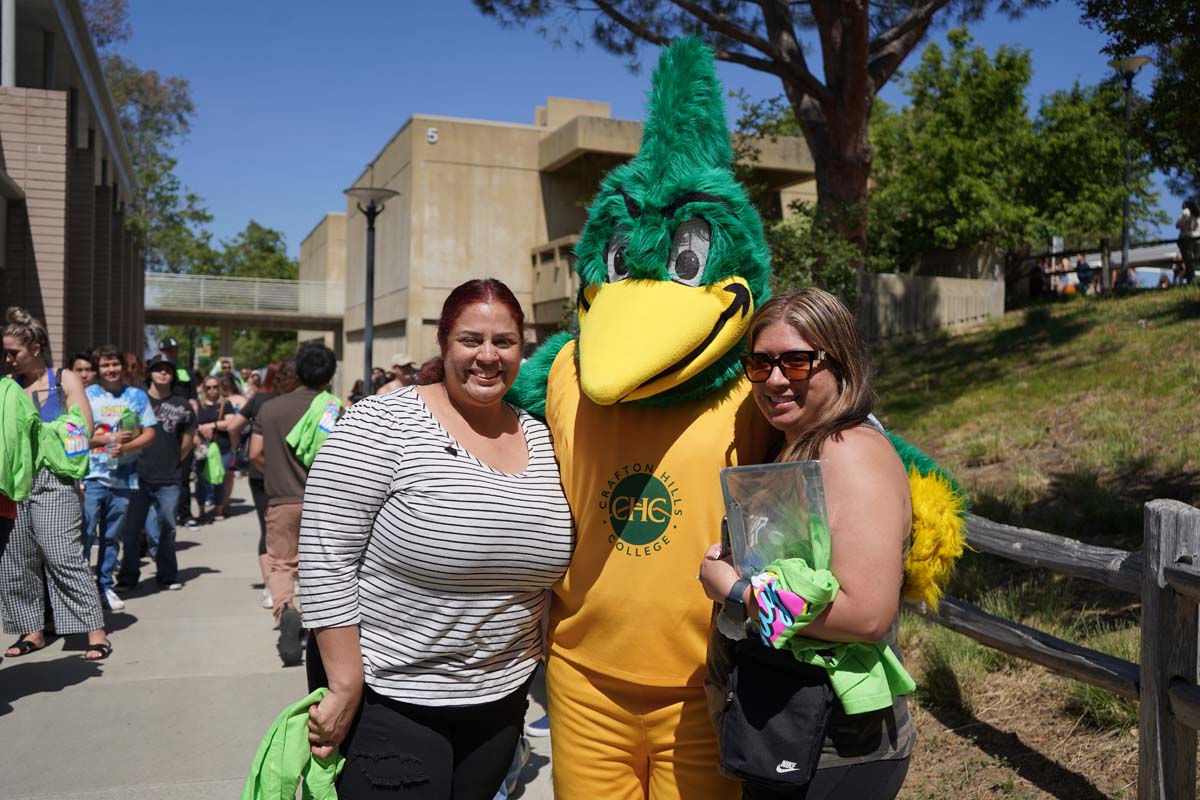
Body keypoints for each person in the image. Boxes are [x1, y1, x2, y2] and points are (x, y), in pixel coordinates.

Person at [299, 280, 573, 797]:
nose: (487, 356)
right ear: (445, 343)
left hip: (501, 700)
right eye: (471, 340)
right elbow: (323, 557)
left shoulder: (542, 435)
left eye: (505, 342)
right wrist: (343, 683)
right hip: (391, 695)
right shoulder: (380, 424)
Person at [699, 289, 914, 799]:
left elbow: (866, 615)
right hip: (793, 731)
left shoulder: (851, 452)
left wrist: (736, 593)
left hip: (837, 747)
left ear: (839, 363)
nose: (775, 380)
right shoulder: (803, 444)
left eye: (797, 362)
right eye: (760, 363)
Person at [1, 308, 111, 660]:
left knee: (63, 555)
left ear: (34, 347)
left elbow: (83, 433)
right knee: (16, 559)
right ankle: (32, 630)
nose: (8, 359)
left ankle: (95, 631)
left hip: (57, 480)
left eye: (13, 352)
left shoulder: (64, 380)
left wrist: (40, 432)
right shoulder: (8, 388)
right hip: (15, 483)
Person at [251, 344, 337, 665]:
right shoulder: (335, 409)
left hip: (282, 499)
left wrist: (276, 470)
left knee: (282, 564)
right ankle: (326, 622)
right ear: (331, 375)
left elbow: (255, 454)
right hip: (327, 503)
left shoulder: (270, 409)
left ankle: (286, 610)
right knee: (326, 564)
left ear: (298, 371)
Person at [83, 345, 157, 611]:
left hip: (124, 478)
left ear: (122, 367)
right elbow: (75, 436)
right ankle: (80, 590)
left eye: (115, 364)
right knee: (86, 533)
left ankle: (104, 586)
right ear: (97, 369)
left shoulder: (136, 396)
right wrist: (109, 439)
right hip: (91, 476)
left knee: (112, 537)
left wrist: (127, 447)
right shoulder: (86, 395)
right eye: (105, 365)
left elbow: (150, 433)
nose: (111, 370)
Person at [115, 357, 195, 593]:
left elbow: (187, 442)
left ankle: (167, 576)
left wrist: (170, 461)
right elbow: (125, 432)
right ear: (150, 374)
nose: (163, 373)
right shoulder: (136, 400)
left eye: (168, 370)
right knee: (130, 530)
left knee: (166, 529)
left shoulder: (184, 406)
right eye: (158, 369)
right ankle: (127, 578)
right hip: (136, 474)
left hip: (169, 478)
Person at [229, 360, 297, 610]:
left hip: (262, 473)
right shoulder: (301, 403)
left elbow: (234, 426)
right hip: (294, 474)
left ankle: (271, 586)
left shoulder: (260, 400)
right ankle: (286, 579)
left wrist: (238, 450)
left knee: (267, 529)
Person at [193, 375, 236, 522]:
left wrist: (211, 425)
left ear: (220, 388)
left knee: (219, 479)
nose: (212, 390)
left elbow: (230, 423)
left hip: (221, 447)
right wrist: (197, 433)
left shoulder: (225, 404)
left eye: (215, 387)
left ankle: (218, 509)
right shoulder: (198, 405)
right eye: (208, 387)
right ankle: (201, 510)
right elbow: (192, 423)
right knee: (200, 479)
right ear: (204, 388)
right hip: (202, 449)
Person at [1176, 200, 1199, 285]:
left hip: (1185, 237)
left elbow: (1177, 225)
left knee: (1187, 260)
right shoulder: (1196, 213)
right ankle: (1191, 277)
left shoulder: (1185, 212)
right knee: (1192, 259)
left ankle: (1191, 279)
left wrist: (1182, 224)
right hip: (1194, 237)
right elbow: (1196, 226)